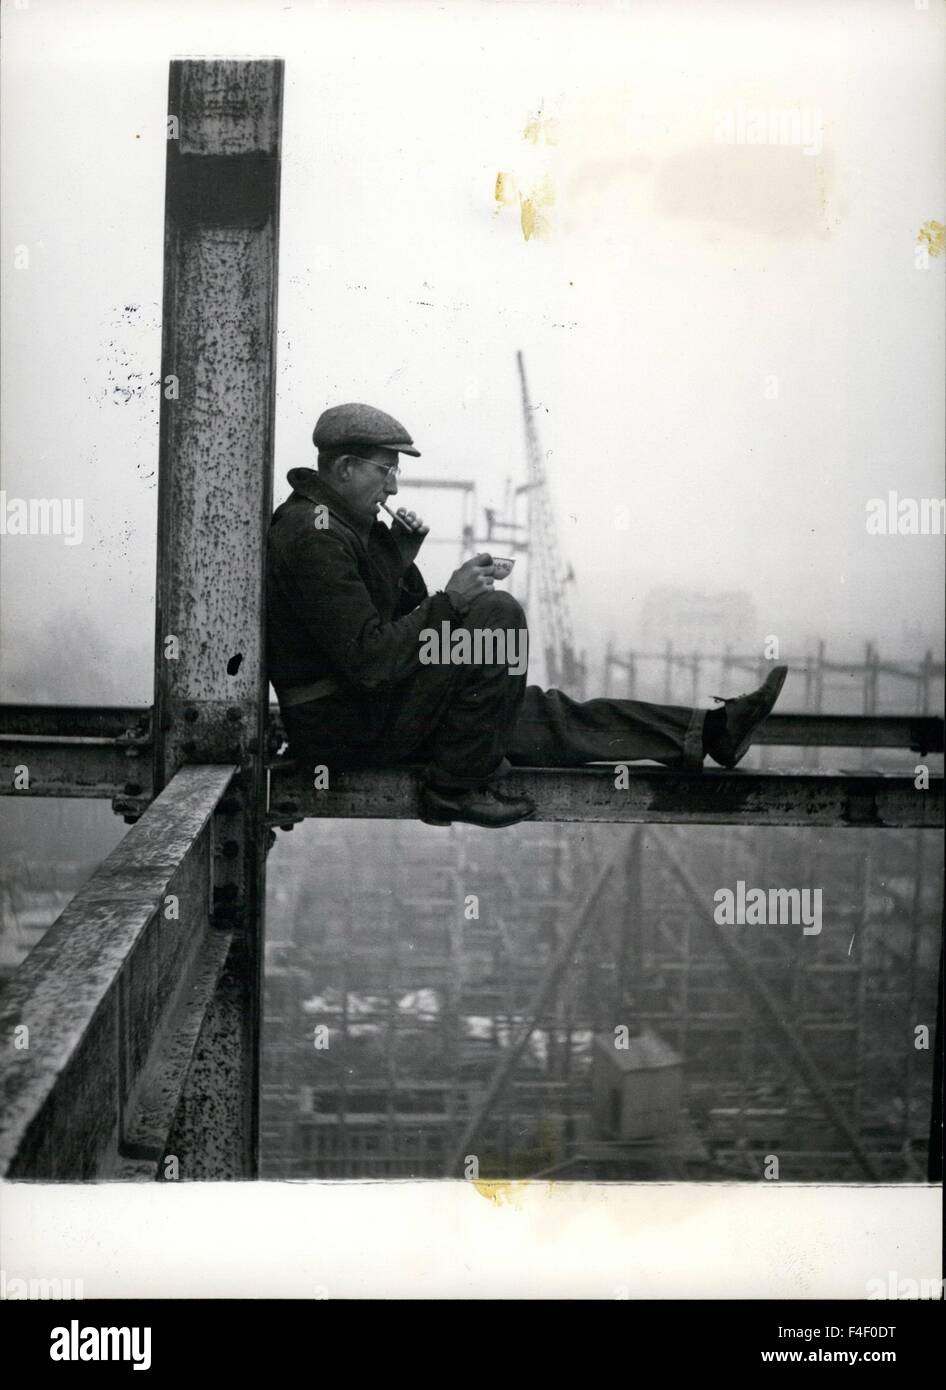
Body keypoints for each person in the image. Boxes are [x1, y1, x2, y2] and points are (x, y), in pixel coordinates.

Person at [266, 403, 788, 828]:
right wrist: (452, 600)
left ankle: (709, 731)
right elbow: (371, 658)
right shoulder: (314, 535)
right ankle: (451, 789)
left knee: (547, 716)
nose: (394, 486)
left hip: (372, 710)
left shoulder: (339, 528)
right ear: (344, 468)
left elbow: (389, 626)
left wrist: (398, 556)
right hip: (344, 725)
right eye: (387, 469)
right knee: (496, 612)